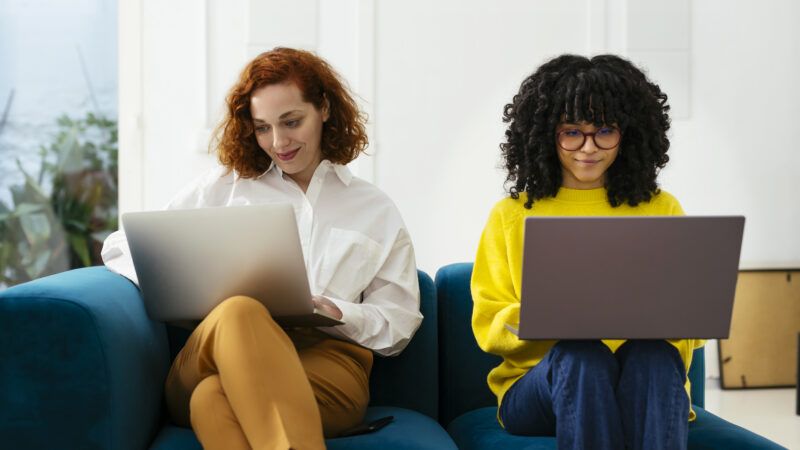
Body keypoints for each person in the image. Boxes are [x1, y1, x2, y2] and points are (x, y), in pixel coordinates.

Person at [101, 47, 422, 450]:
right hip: (213, 349)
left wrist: (336, 310)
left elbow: (399, 323)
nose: (278, 142)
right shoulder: (227, 186)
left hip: (326, 367)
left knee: (211, 398)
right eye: (262, 128)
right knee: (240, 309)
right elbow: (121, 247)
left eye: (291, 122)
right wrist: (185, 284)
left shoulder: (374, 209)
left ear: (323, 108)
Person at [471, 54, 703, 450]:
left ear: (628, 133)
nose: (589, 148)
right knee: (582, 355)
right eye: (572, 132)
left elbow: (690, 330)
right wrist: (551, 318)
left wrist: (659, 315)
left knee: (652, 354)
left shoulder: (661, 207)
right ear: (547, 134)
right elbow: (490, 325)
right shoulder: (511, 215)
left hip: (643, 381)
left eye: (605, 131)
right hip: (539, 389)